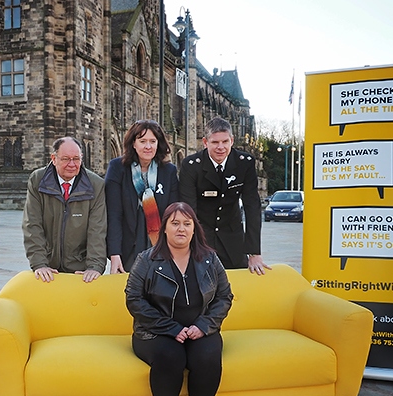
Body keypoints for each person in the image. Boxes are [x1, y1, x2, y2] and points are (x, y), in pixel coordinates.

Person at [125, 201, 233, 396]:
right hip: (155, 332)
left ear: (195, 228)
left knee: (208, 355)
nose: (181, 229)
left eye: (187, 223)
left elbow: (224, 297)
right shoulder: (147, 259)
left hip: (199, 329)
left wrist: (204, 325)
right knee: (170, 356)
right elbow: (134, 300)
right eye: (175, 223)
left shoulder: (210, 259)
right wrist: (171, 328)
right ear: (164, 228)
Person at [179, 116, 270, 274]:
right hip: (202, 237)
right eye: (215, 142)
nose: (220, 147)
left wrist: (254, 253)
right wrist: (187, 247)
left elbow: (252, 206)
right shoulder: (192, 165)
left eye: (225, 142)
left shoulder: (244, 163)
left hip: (233, 238)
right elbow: (188, 210)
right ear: (205, 142)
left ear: (232, 141)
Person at [22, 137, 107, 283]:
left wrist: (94, 267)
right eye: (66, 159)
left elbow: (97, 229)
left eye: (76, 159)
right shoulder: (37, 180)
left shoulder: (96, 185)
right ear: (54, 159)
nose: (72, 164)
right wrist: (39, 264)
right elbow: (32, 224)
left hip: (80, 269)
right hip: (48, 268)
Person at [105, 120, 180, 272]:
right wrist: (115, 253)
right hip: (128, 248)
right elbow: (113, 215)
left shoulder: (169, 171)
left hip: (160, 248)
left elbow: (173, 214)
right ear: (133, 143)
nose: (148, 146)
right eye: (142, 141)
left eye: (153, 141)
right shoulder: (117, 168)